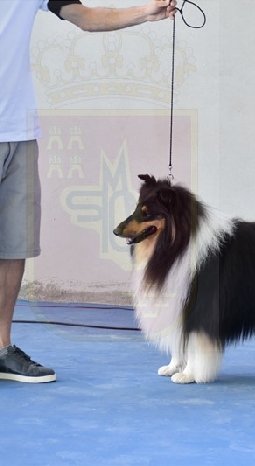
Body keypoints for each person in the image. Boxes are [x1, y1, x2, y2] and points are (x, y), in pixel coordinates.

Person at [0, 0, 177, 383]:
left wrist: (145, 12)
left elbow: (84, 16)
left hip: (18, 133)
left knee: (14, 247)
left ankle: (1, 348)